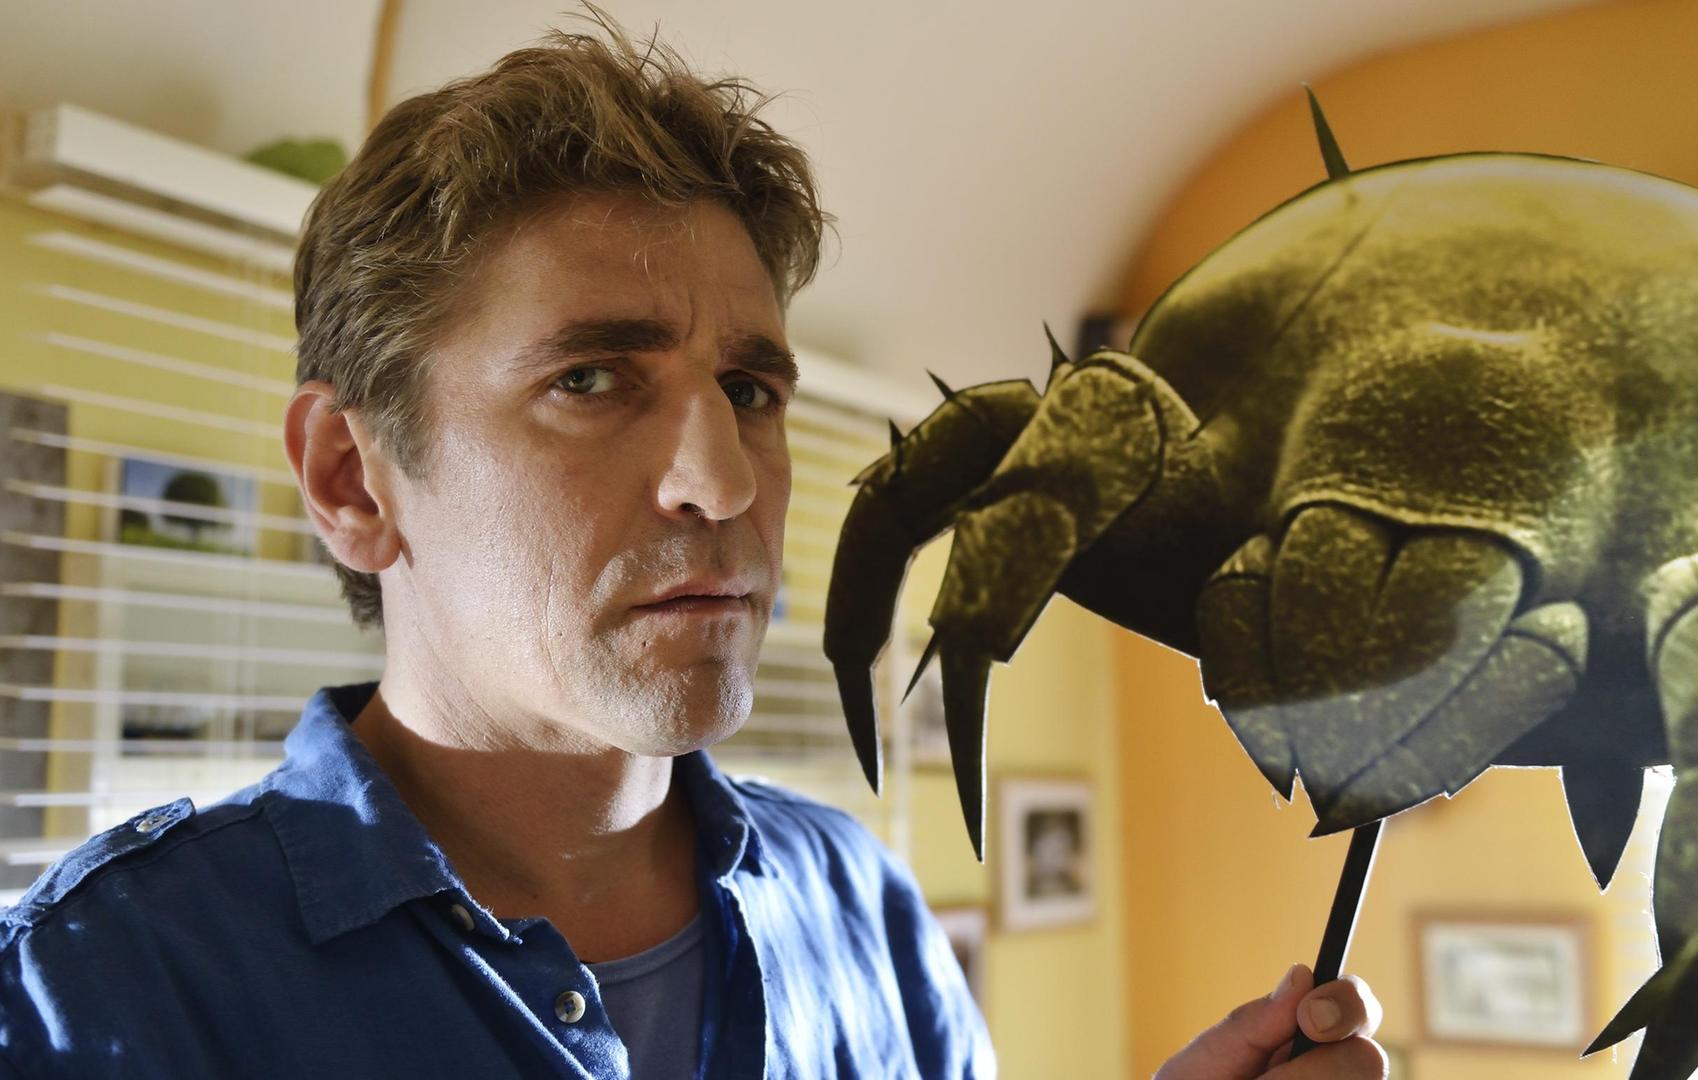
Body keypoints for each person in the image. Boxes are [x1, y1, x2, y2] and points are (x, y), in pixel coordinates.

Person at [0, 15, 1385, 1080]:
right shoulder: (96, 992)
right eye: (592, 380)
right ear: (351, 478)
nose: (723, 480)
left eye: (751, 390)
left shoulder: (860, 904)